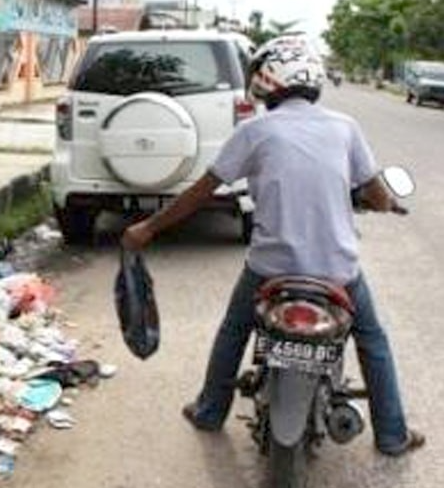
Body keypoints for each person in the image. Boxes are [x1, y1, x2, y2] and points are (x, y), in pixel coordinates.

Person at [121, 35, 424, 456]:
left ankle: (210, 410)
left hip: (271, 269)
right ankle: (392, 435)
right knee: (372, 339)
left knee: (234, 331)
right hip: (337, 270)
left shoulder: (254, 131)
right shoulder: (344, 128)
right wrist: (387, 203)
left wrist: (149, 228)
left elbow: (202, 192)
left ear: (266, 80)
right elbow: (375, 194)